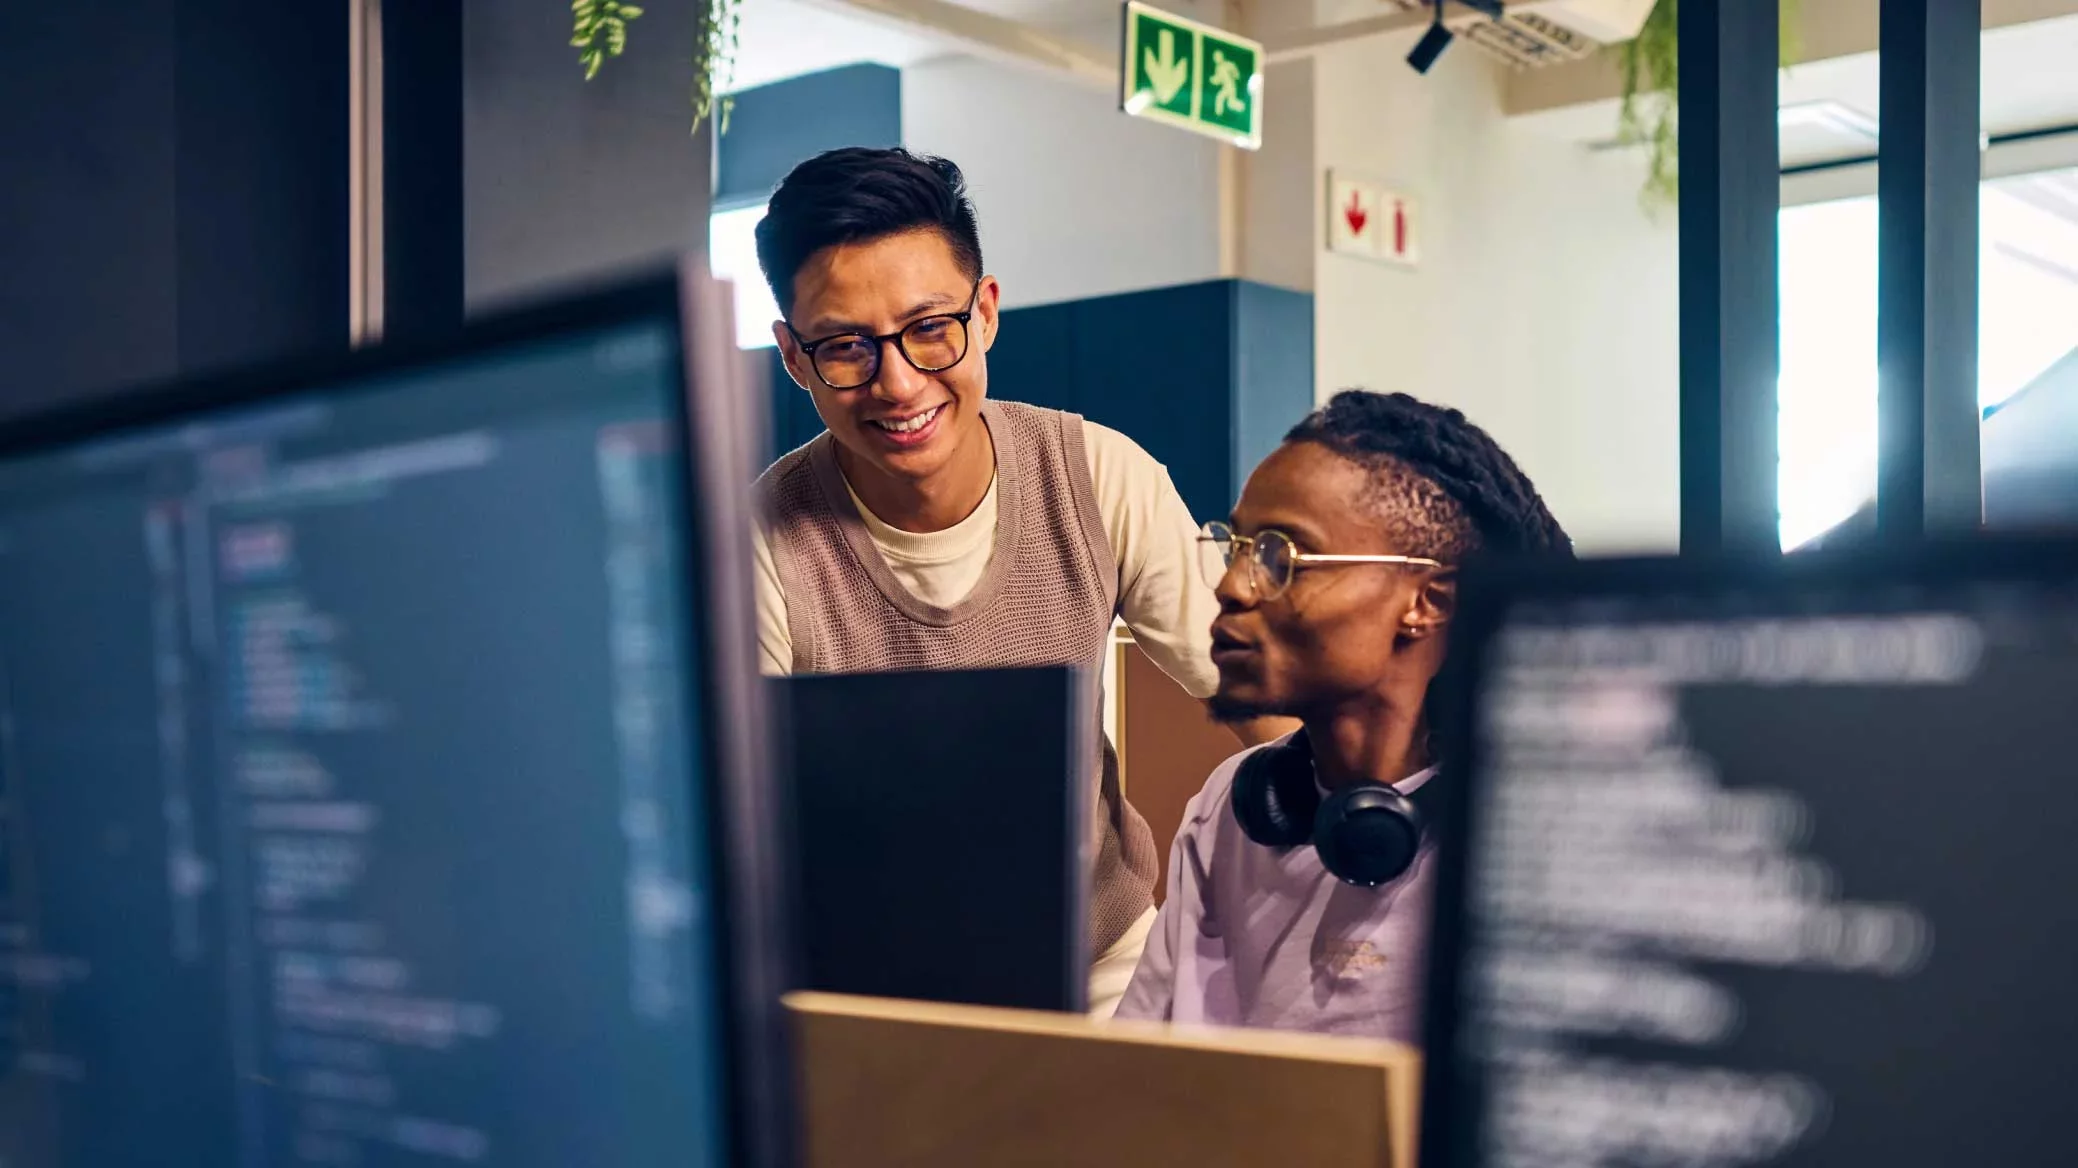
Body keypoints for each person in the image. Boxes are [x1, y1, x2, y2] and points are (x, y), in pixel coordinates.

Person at [749, 146, 1290, 1015]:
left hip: (1106, 963)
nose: (898, 383)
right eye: (847, 347)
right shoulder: (763, 546)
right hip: (873, 987)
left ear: (987, 311)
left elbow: (1262, 696)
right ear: (794, 357)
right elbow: (748, 843)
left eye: (932, 329)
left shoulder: (1100, 474)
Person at [1114, 390, 1572, 1039]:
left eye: (1281, 555)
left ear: (1426, 602)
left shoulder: (1534, 836)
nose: (1232, 585)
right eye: (1236, 546)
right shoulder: (1232, 809)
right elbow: (1138, 1066)